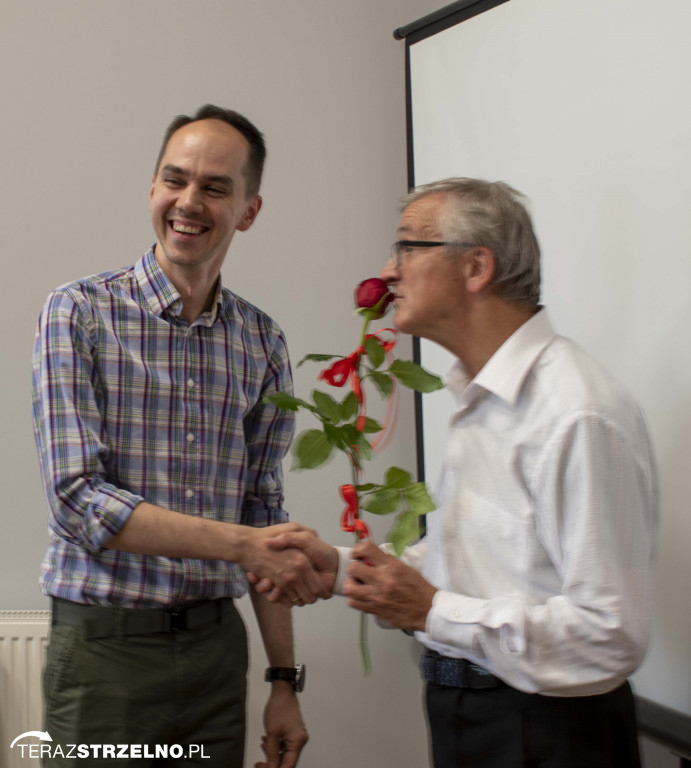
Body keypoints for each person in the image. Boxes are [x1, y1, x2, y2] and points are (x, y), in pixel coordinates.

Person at [257, 178, 658, 767]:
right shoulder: (481, 398)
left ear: (476, 265)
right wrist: (345, 570)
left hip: (548, 732)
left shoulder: (576, 413)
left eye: (407, 249)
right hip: (470, 714)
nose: (388, 272)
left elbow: (608, 635)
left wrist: (430, 610)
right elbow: (480, 570)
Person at [31, 104, 327, 768]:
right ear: (152, 189)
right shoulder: (78, 313)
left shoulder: (261, 340)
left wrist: (283, 681)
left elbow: (262, 512)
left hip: (216, 653)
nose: (189, 201)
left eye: (215, 187)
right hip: (105, 652)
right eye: (175, 179)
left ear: (248, 210)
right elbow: (80, 500)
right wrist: (248, 544)